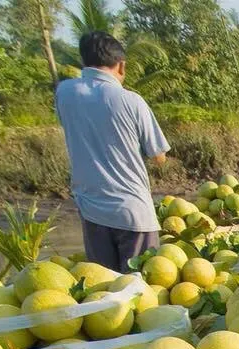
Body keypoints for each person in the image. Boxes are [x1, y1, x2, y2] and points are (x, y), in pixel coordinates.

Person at [54, 31, 169, 273]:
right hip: (132, 212)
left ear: (84, 62)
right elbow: (158, 157)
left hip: (92, 210)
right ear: (122, 65)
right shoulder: (131, 100)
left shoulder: (64, 93)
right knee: (140, 293)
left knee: (103, 290)